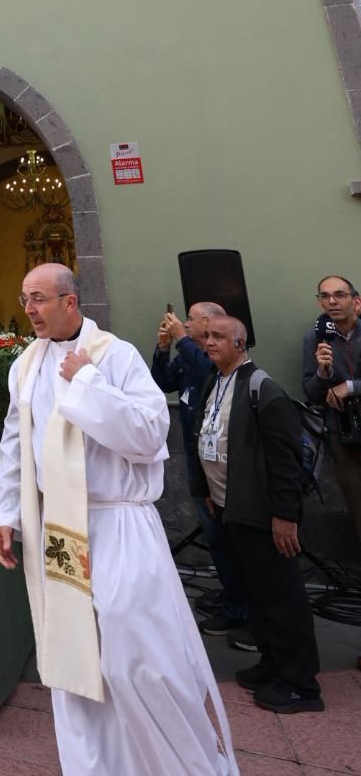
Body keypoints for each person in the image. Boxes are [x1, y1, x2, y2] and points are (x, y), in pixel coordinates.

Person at [0, 263, 263, 776]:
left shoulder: (111, 357)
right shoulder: (25, 364)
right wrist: (8, 512)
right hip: (60, 534)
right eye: (25, 299)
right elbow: (16, 440)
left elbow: (149, 436)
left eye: (40, 299)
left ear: (70, 300)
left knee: (148, 671)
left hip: (120, 529)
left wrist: (84, 380)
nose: (30, 310)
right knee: (83, 682)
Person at [194, 315, 322, 715]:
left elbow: (286, 461)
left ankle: (301, 684)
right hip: (231, 510)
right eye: (206, 336)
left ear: (241, 342)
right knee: (255, 595)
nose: (209, 342)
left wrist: (285, 516)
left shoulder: (261, 387)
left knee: (281, 598)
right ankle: (273, 664)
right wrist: (212, 495)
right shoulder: (214, 382)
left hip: (264, 516)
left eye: (218, 337)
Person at [152, 303, 250, 644]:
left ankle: (243, 608)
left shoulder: (212, 358)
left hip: (222, 465)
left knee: (231, 540)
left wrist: (182, 338)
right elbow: (162, 383)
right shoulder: (188, 353)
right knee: (216, 538)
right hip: (198, 460)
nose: (186, 322)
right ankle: (233, 598)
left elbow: (204, 368)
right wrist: (163, 349)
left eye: (191, 319)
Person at [302, 274, 361, 536]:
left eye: (339, 295)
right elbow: (312, 393)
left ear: (356, 302)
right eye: (324, 296)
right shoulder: (314, 339)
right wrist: (323, 374)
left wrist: (349, 387)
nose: (332, 301)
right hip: (342, 435)